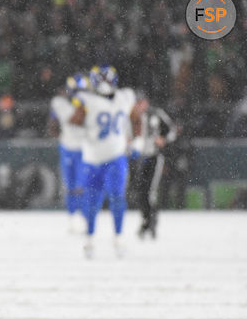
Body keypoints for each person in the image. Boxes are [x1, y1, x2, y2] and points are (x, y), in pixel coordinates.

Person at [70, 65, 141, 258]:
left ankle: (118, 237)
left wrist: (137, 140)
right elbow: (74, 121)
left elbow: (136, 118)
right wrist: (82, 131)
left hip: (115, 156)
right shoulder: (86, 100)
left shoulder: (125, 97)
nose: (103, 84)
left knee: (117, 196)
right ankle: (90, 239)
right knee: (92, 201)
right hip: (92, 158)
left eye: (106, 80)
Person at [47, 73, 89, 232]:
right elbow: (52, 125)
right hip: (67, 147)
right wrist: (59, 135)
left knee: (82, 186)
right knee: (70, 185)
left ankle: (85, 218)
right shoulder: (59, 103)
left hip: (85, 149)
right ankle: (72, 218)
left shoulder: (91, 103)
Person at [131, 96, 177, 238]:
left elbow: (172, 130)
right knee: (140, 191)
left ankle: (152, 222)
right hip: (139, 157)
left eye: (141, 102)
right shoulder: (132, 116)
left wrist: (163, 139)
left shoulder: (156, 114)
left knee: (150, 191)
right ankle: (146, 220)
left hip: (154, 156)